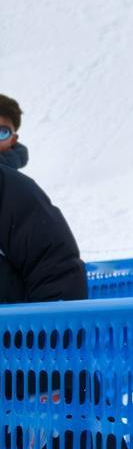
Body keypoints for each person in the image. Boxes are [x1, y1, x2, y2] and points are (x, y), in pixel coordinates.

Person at [0, 94, 87, 303]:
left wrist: (46, 333)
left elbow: (57, 274)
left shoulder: (14, 190)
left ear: (13, 139)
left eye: (2, 132)